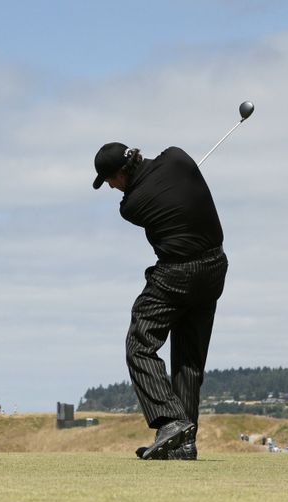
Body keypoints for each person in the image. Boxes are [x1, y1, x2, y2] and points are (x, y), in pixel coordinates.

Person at [92, 142, 228, 460]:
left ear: (121, 173)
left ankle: (170, 422)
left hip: (177, 274)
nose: (111, 187)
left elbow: (136, 196)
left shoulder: (131, 207)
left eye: (110, 180)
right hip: (215, 267)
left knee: (140, 343)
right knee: (189, 359)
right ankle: (184, 444)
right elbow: (170, 164)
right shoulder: (177, 157)